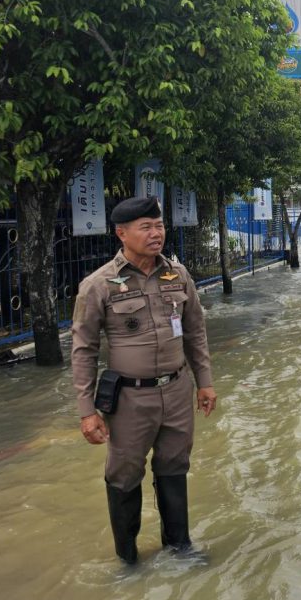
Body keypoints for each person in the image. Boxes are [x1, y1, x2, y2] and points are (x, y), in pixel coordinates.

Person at [71, 196, 217, 564]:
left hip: (177, 390)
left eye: (159, 225)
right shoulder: (99, 284)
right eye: (146, 227)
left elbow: (195, 332)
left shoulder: (178, 275)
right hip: (131, 399)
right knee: (124, 474)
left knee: (174, 465)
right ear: (122, 233)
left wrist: (205, 381)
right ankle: (128, 560)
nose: (156, 233)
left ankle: (180, 548)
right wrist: (87, 411)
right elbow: (84, 350)